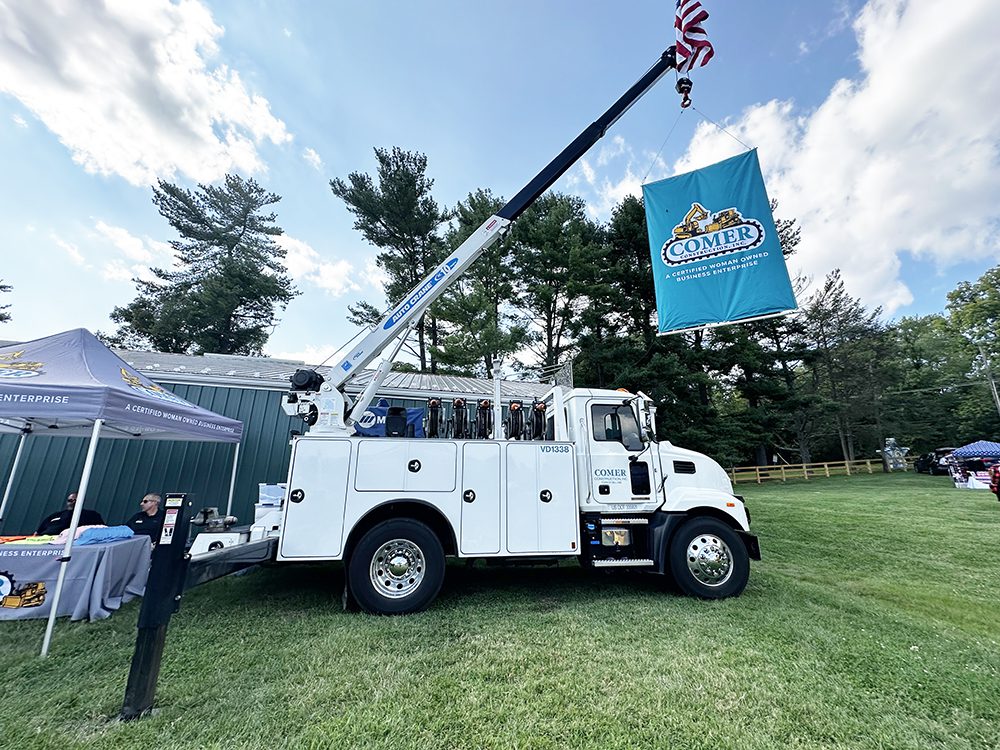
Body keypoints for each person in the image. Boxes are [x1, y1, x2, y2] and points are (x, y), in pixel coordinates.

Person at [35, 492, 106, 536]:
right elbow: (38, 533)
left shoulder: (92, 515)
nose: (73, 502)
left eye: (76, 500)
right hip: (48, 541)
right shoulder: (55, 516)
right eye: (70, 500)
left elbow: (102, 531)